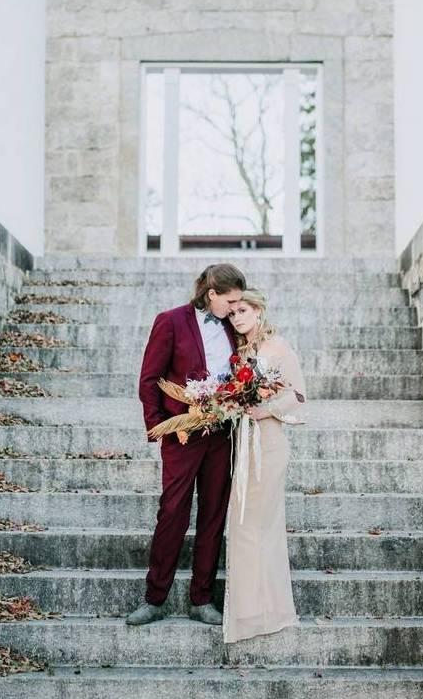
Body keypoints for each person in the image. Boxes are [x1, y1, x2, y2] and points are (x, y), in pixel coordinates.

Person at [126, 263, 246, 626]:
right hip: (182, 434)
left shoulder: (234, 326)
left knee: (213, 516)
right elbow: (149, 380)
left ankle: (202, 599)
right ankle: (154, 597)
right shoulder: (171, 321)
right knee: (173, 511)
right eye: (231, 300)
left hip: (223, 435)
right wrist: (159, 427)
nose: (236, 306)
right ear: (212, 295)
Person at [222, 288, 304, 643]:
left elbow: (298, 395)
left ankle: (269, 610)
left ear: (258, 311)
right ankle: (248, 611)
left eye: (242, 310)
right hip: (242, 444)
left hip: (269, 443)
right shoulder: (239, 354)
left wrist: (265, 409)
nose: (237, 318)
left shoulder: (278, 348)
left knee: (262, 524)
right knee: (241, 525)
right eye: (232, 314)